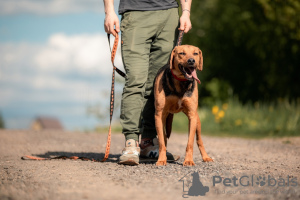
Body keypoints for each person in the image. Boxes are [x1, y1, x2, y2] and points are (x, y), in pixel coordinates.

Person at [103, 0, 192, 165]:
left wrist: (186, 11)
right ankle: (131, 142)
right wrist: (109, 11)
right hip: (135, 13)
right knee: (135, 80)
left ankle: (148, 142)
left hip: (169, 15)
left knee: (158, 84)